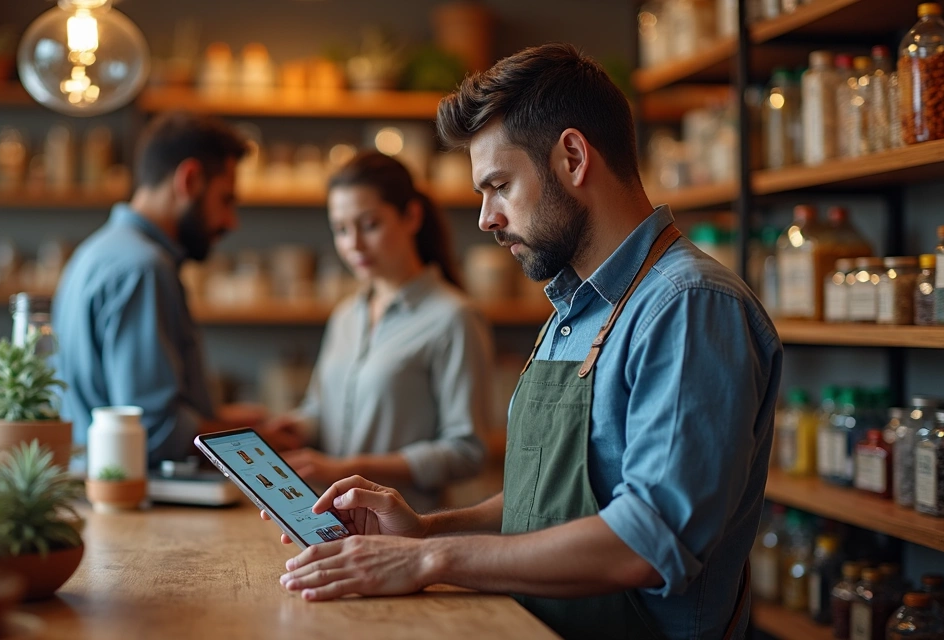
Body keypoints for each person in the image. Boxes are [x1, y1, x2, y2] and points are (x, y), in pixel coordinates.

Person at [266, 43, 782, 640]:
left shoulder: (689, 305)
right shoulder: (575, 307)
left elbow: (646, 541)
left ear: (572, 158)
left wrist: (431, 559)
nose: (486, 217)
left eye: (500, 185)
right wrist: (425, 530)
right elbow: (543, 503)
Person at [262, 152, 494, 512]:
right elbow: (320, 407)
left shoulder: (453, 318)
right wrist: (298, 427)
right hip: (334, 522)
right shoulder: (345, 316)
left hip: (408, 528)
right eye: (341, 230)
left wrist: (349, 469)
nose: (353, 244)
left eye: (369, 225)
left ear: (411, 216)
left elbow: (467, 451)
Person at [53, 111, 259, 467]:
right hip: (136, 491)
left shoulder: (95, 252)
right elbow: (154, 431)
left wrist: (233, 421)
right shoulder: (143, 268)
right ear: (189, 180)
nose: (231, 222)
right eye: (226, 200)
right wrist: (259, 444)